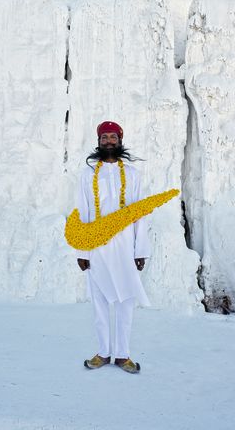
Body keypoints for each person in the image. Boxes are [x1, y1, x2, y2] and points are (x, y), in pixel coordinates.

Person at [76, 121, 151, 374]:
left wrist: (140, 250)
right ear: (98, 141)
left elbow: (141, 213)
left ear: (120, 140)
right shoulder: (87, 175)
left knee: (125, 300)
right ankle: (103, 352)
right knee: (99, 301)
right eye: (104, 137)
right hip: (96, 247)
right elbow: (83, 212)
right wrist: (82, 251)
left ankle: (122, 354)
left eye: (113, 137)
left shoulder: (132, 175)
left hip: (124, 247)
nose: (109, 141)